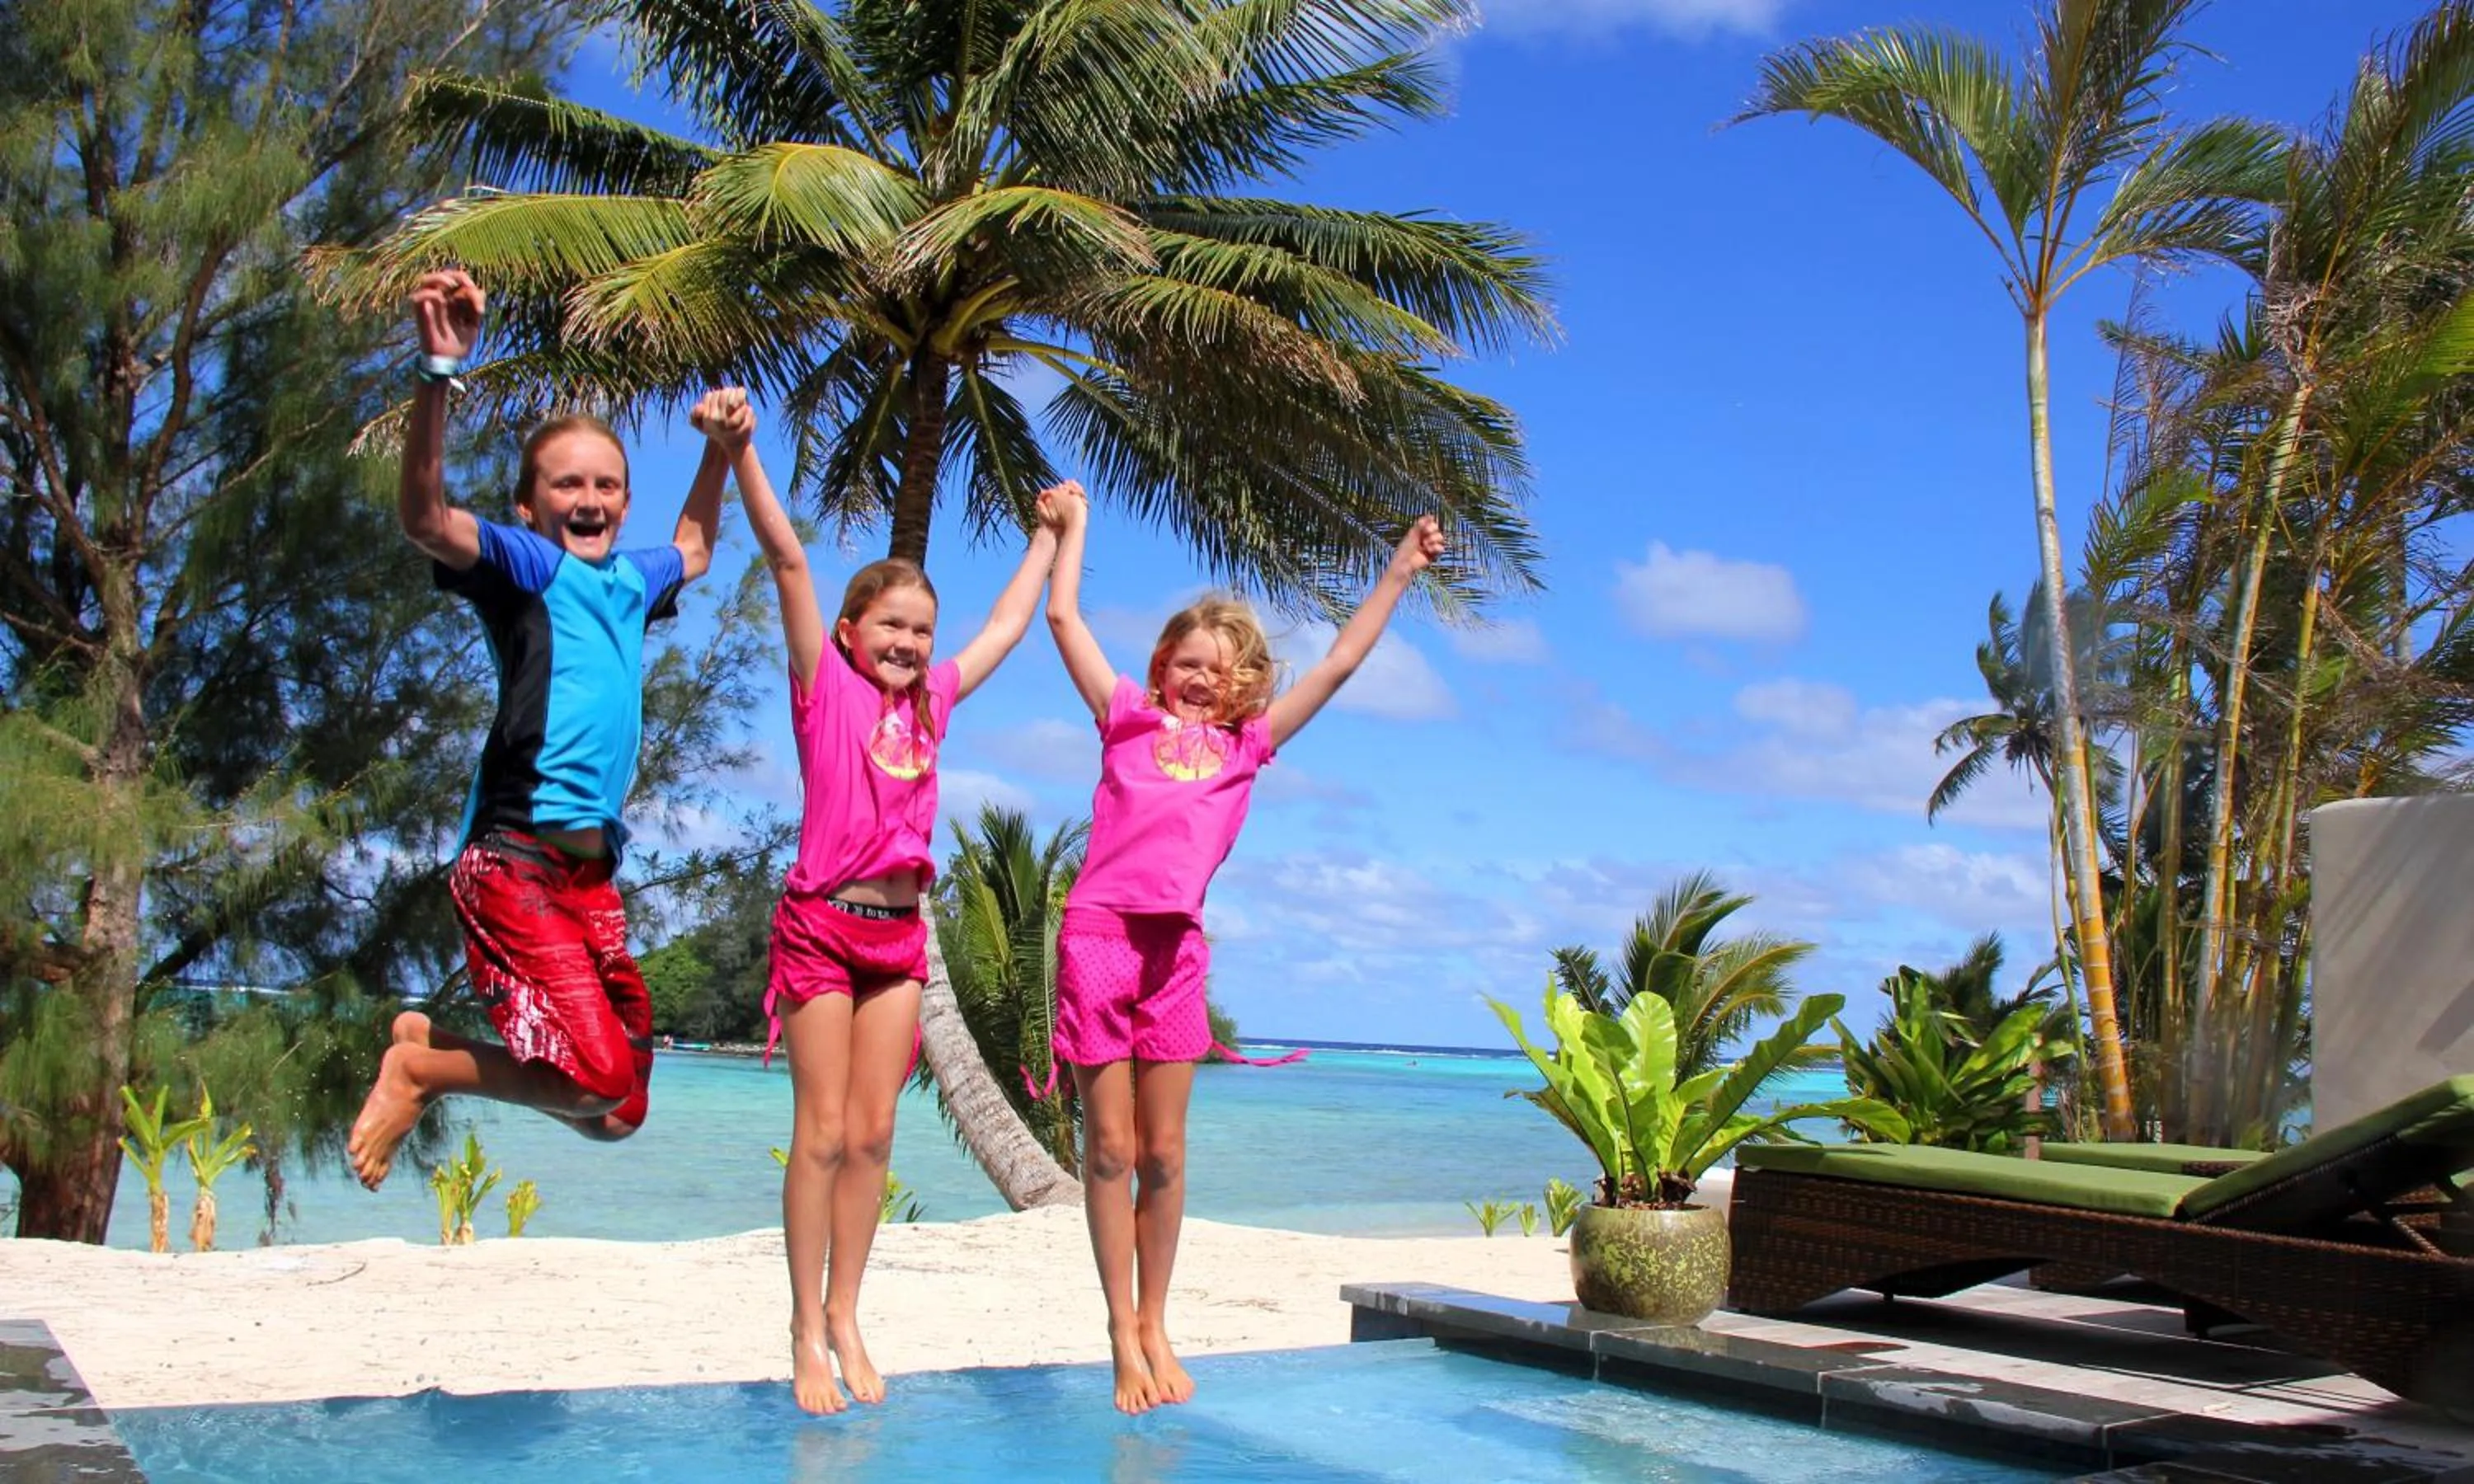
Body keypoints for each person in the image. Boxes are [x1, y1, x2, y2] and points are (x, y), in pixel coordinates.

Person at [1042, 482, 1445, 1414]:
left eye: (1215, 672)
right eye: (1184, 663)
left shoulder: (1246, 747)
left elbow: (1340, 664)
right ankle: (1117, 1331)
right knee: (1110, 1148)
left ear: (1243, 686)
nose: (1196, 680)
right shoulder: (1126, 719)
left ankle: (1156, 1321)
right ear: (1159, 666)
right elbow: (1062, 615)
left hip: (1174, 952)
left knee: (1168, 1153)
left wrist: (1398, 571)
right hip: (1100, 939)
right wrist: (1076, 529)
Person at [717, 387, 1064, 1415]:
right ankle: (800, 1328)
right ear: (852, 628)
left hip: (900, 938)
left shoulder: (936, 703)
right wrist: (743, 453)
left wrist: (1046, 539)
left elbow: (1005, 628)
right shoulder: (822, 686)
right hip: (823, 929)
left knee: (875, 1137)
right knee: (821, 1131)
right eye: (892, 627)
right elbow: (786, 560)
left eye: (922, 631)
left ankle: (847, 1311)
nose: (911, 644)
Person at [346, 270, 728, 1190]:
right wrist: (439, 368)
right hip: (512, 860)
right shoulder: (524, 568)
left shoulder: (635, 582)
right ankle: (422, 1069)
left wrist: (718, 452)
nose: (587, 498)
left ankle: (432, 1047)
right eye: (566, 484)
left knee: (620, 1107)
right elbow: (426, 517)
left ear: (625, 503)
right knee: (593, 1078)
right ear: (531, 505)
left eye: (606, 483)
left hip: (589, 879)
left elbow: (698, 549)